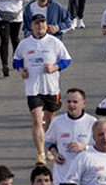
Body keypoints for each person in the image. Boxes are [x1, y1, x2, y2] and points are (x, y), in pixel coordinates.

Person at [15, 14, 73, 164]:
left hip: (51, 87)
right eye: (37, 23)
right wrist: (21, 70)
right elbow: (16, 60)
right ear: (32, 26)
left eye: (42, 23)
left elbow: (67, 60)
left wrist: (55, 67)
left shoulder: (54, 42)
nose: (40, 26)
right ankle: (40, 153)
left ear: (46, 25)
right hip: (33, 88)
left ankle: (48, 148)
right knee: (36, 119)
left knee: (50, 120)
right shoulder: (25, 44)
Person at [45, 88, 97, 185]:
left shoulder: (92, 123)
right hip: (64, 177)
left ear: (83, 103)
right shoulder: (57, 122)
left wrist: (84, 147)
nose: (72, 105)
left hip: (86, 179)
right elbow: (49, 140)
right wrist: (55, 154)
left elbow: (101, 149)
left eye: (75, 102)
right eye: (69, 102)